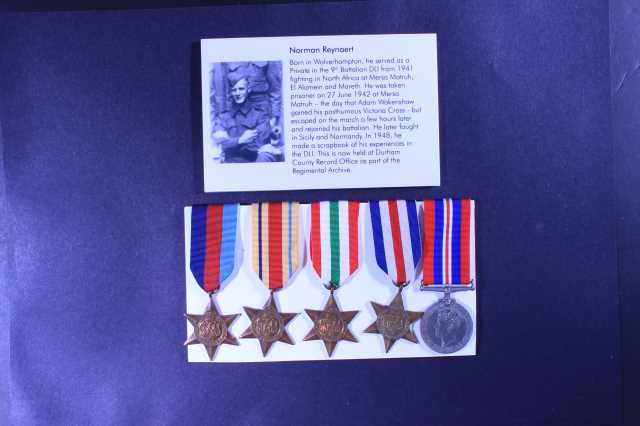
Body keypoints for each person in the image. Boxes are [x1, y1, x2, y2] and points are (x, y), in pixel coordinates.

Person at [212, 75, 281, 163]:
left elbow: (260, 144)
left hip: (253, 160)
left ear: (248, 90)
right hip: (230, 162)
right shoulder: (224, 117)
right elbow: (220, 143)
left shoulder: (260, 114)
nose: (237, 93)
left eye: (241, 89)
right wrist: (240, 140)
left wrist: (231, 143)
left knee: (265, 156)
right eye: (234, 90)